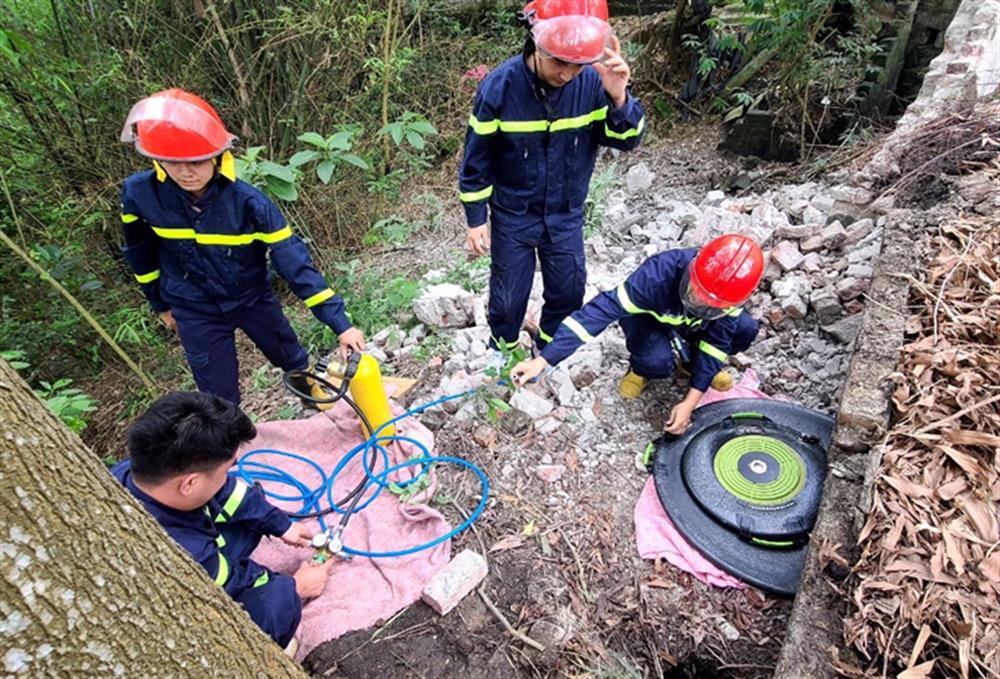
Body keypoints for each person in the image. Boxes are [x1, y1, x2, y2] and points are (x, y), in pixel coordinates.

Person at [118, 88, 364, 405]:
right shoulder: (140, 195)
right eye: (173, 162)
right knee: (217, 394)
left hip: (251, 298)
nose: (185, 172)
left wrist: (340, 324)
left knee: (289, 354)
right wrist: (160, 305)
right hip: (193, 307)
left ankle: (311, 400)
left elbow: (295, 264)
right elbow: (140, 254)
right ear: (158, 161)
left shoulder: (250, 204)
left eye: (195, 161)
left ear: (218, 155)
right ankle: (230, 448)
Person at [458, 0, 645, 363]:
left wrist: (619, 96)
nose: (567, 74)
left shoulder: (592, 83)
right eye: (559, 62)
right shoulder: (500, 88)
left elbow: (627, 140)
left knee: (568, 290)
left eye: (577, 64)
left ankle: (547, 350)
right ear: (536, 44)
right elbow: (476, 158)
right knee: (508, 296)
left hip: (566, 214)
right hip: (514, 213)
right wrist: (475, 219)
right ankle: (503, 351)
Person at [111, 391, 329, 649]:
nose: (229, 477)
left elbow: (229, 494)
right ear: (189, 483)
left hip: (195, 541)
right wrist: (294, 588)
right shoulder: (179, 550)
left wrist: (281, 525)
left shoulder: (135, 472)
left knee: (241, 505)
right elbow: (229, 581)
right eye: (226, 470)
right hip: (189, 604)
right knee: (274, 607)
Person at [511, 234, 764, 435]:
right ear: (692, 268)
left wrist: (691, 401)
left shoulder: (729, 296)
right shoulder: (657, 275)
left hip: (693, 326)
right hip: (648, 320)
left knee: (745, 329)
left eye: (710, 304)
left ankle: (692, 366)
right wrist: (543, 360)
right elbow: (597, 314)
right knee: (656, 361)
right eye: (696, 293)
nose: (699, 302)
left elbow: (716, 344)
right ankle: (641, 369)